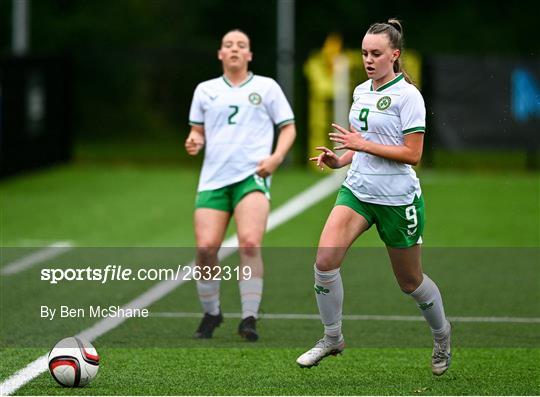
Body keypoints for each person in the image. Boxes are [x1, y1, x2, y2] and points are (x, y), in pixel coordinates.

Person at [296, 19, 452, 375]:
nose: (368, 59)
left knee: (410, 283)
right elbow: (362, 141)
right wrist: (342, 158)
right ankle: (332, 337)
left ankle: (442, 335)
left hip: (397, 200)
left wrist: (362, 144)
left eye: (376, 53)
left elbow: (412, 154)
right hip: (359, 190)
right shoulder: (361, 91)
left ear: (394, 55)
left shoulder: (409, 96)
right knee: (324, 262)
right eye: (365, 52)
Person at [186, 29, 296, 341]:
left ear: (249, 55)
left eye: (241, 45)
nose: (234, 49)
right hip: (213, 179)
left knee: (249, 242)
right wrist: (195, 140)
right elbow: (197, 131)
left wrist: (276, 157)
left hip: (252, 176)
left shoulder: (266, 87)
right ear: (220, 54)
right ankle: (212, 312)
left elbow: (288, 128)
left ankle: (249, 317)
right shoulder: (205, 90)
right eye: (228, 45)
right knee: (206, 248)